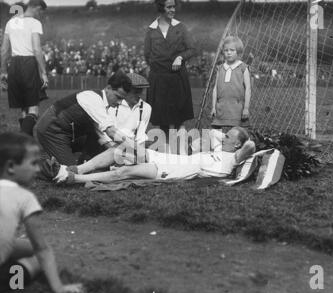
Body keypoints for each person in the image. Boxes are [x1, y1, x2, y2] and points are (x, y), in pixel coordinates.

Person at [0, 132, 83, 293]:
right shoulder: (24, 198)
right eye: (33, 163)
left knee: (21, 245)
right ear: (11, 167)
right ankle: (14, 286)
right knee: (38, 259)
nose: (38, 169)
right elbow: (42, 249)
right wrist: (59, 288)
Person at [54, 127, 255, 184]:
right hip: (168, 158)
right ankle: (76, 169)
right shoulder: (220, 149)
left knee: (123, 172)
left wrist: (239, 145)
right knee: (119, 150)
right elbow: (212, 132)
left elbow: (251, 145)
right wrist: (228, 137)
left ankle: (75, 178)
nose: (223, 136)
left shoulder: (232, 159)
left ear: (237, 144)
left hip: (175, 170)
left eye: (228, 136)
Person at [35, 71, 151, 167]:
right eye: (118, 97)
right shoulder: (93, 99)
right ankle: (36, 167)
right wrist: (137, 151)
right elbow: (111, 132)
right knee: (72, 172)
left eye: (122, 99)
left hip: (70, 134)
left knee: (93, 153)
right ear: (108, 88)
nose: (120, 102)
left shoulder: (105, 104)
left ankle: (72, 158)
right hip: (52, 131)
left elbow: (102, 137)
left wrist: (118, 156)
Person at [144, 0, 196, 140]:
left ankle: (180, 150)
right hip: (159, 80)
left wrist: (180, 57)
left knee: (178, 120)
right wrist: (161, 67)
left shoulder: (181, 27)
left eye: (174, 6)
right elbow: (147, 55)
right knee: (162, 121)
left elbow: (191, 49)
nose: (173, 10)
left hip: (177, 79)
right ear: (161, 8)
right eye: (169, 7)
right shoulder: (151, 30)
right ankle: (165, 149)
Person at [0, 0, 49, 136]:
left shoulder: (11, 22)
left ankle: (26, 144)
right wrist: (43, 73)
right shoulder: (34, 23)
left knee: (23, 109)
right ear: (37, 8)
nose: (40, 15)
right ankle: (21, 142)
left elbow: (4, 50)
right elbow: (37, 49)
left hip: (14, 65)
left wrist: (3, 72)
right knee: (33, 110)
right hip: (29, 63)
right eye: (41, 12)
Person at [210, 36, 251, 150]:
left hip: (237, 107)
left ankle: (239, 152)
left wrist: (246, 108)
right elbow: (215, 89)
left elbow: (248, 88)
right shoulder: (220, 68)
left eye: (232, 50)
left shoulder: (243, 67)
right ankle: (219, 153)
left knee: (238, 133)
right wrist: (213, 107)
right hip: (221, 107)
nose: (228, 53)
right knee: (215, 132)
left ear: (238, 52)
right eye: (226, 50)